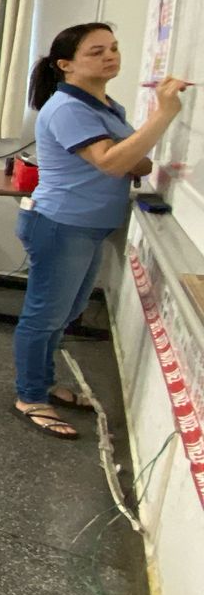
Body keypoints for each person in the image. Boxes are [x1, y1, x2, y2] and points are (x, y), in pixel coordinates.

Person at [13, 24, 187, 439]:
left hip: (86, 226)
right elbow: (112, 162)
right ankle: (30, 397)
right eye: (96, 52)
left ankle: (44, 382)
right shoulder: (68, 109)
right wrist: (163, 114)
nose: (110, 56)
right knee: (45, 316)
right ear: (66, 64)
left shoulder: (105, 105)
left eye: (114, 48)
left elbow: (133, 160)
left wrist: (129, 157)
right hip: (61, 225)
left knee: (65, 313)